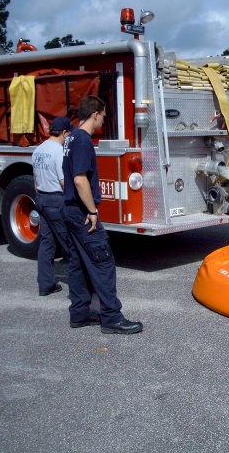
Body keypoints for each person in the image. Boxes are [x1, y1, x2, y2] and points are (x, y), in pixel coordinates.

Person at [63, 95, 143, 334]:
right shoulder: (83, 140)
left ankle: (79, 313)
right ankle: (111, 317)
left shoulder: (70, 138)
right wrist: (92, 210)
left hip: (69, 210)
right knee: (103, 262)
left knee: (77, 262)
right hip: (81, 212)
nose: (103, 120)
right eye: (104, 115)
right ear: (95, 114)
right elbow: (79, 178)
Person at [32, 117, 72, 296]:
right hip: (56, 201)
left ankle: (46, 284)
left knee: (47, 243)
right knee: (70, 243)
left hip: (41, 198)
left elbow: (35, 180)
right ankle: (81, 286)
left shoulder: (38, 150)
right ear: (64, 133)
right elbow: (63, 181)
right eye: (68, 133)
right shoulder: (59, 151)